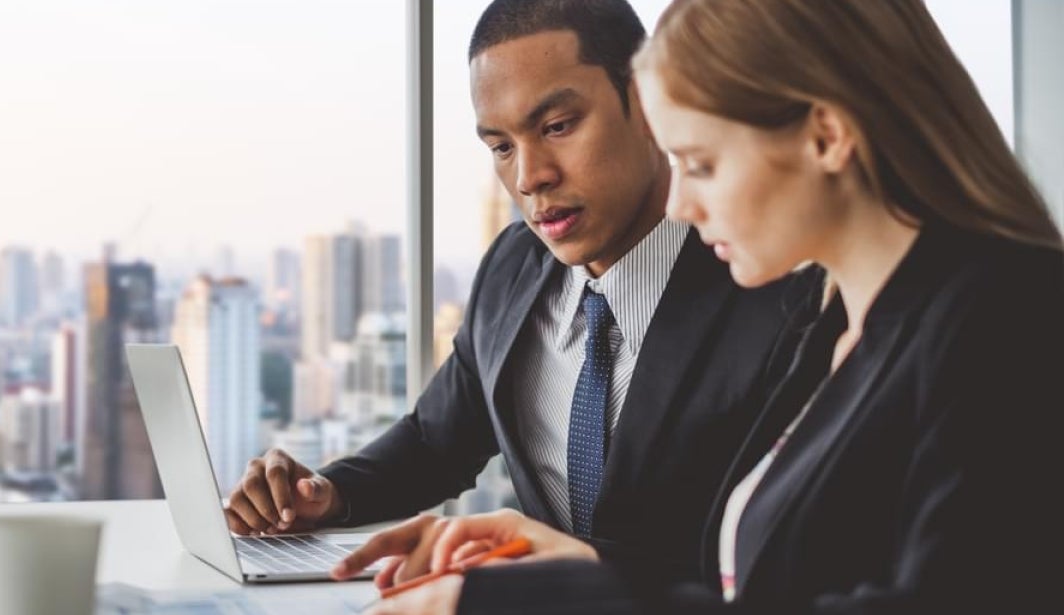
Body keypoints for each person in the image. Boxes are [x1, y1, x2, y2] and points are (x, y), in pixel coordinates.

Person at [335, 0, 1064, 612]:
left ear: (827, 133)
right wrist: (567, 561)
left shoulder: (1005, 317)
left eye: (701, 163)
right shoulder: (848, 332)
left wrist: (522, 599)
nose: (680, 201)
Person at [225, 0, 816, 588]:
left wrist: (570, 580)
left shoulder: (772, 291)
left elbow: (788, 561)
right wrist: (324, 495)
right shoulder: (514, 267)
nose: (530, 176)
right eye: (502, 147)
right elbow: (436, 442)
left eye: (557, 127)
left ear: (647, 103)